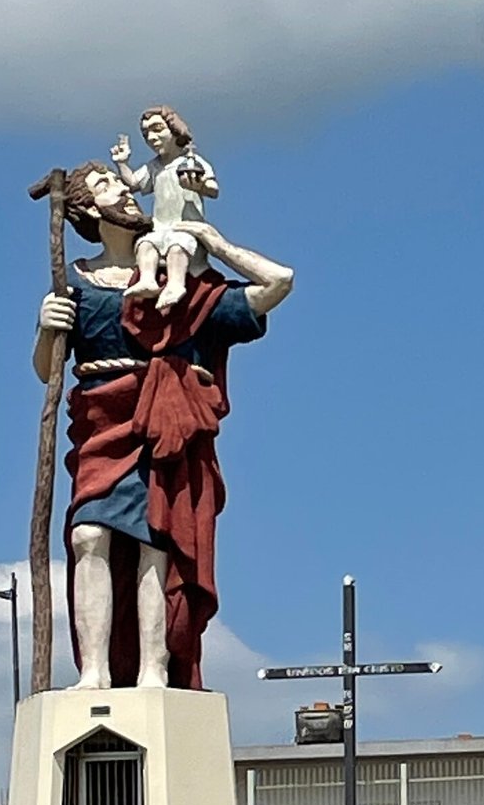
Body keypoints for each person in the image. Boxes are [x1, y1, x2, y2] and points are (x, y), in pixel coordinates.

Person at [34, 161, 293, 690]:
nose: (125, 190)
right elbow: (48, 370)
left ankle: (155, 670)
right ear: (84, 209)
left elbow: (276, 284)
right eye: (106, 184)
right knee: (88, 536)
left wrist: (212, 241)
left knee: (157, 540)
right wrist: (47, 327)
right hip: (102, 423)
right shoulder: (77, 283)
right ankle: (95, 673)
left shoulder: (183, 284)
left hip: (165, 424)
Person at [111, 105, 218, 312]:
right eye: (146, 133)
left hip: (186, 229)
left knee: (177, 246)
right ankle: (148, 281)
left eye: (157, 129)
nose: (151, 137)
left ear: (174, 129)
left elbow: (213, 189)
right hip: (160, 228)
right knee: (144, 244)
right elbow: (133, 183)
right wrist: (122, 163)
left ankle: (176, 286)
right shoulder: (154, 167)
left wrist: (200, 186)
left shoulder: (192, 161)